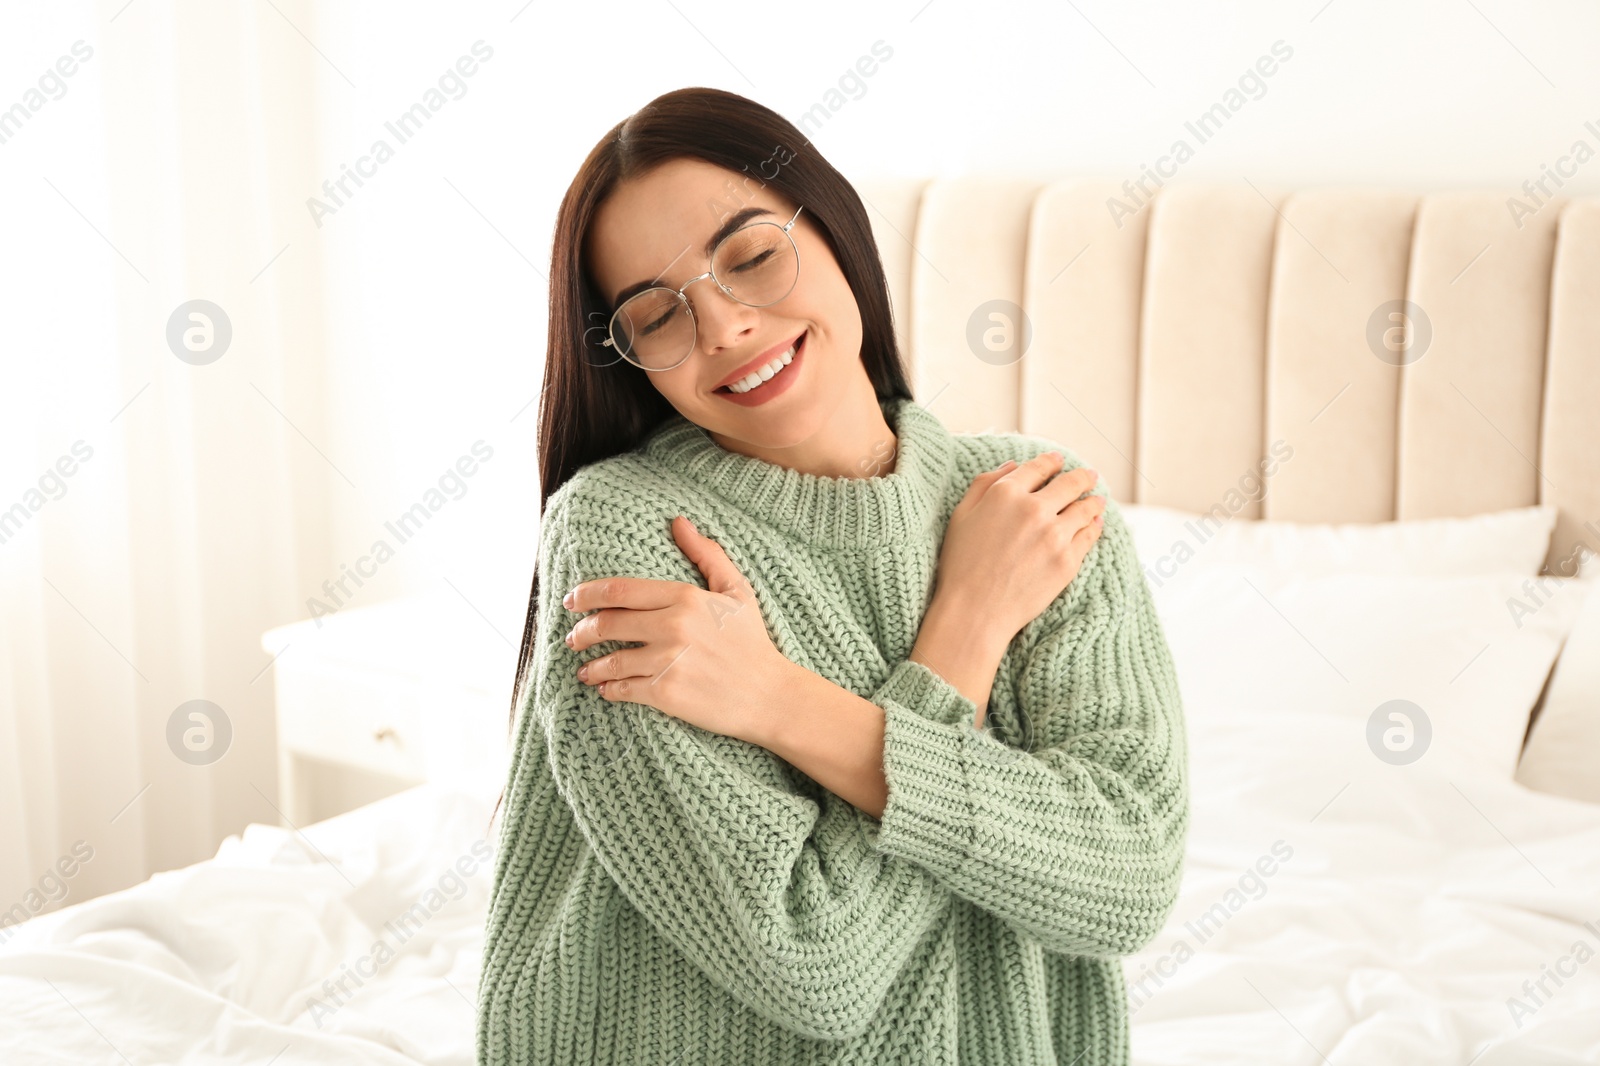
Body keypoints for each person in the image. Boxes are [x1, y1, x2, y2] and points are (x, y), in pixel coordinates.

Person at [476, 85, 1188, 1066]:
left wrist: (778, 700)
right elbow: (812, 959)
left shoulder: (1031, 509)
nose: (723, 326)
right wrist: (965, 636)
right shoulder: (627, 529)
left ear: (837, 228)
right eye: (656, 316)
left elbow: (1128, 880)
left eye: (754, 256)